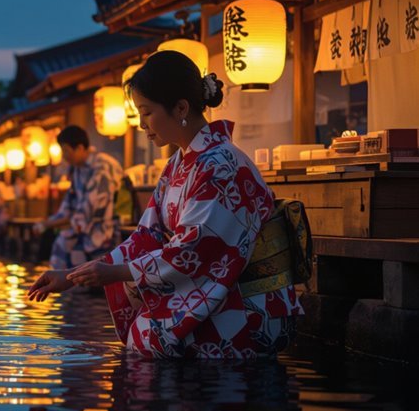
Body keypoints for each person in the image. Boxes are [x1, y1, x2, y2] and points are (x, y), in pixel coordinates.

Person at [28, 50, 303, 359]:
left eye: (146, 112)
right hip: (218, 291)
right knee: (145, 340)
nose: (142, 124)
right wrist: (73, 274)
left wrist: (118, 273)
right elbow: (148, 235)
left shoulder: (221, 164)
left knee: (152, 341)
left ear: (181, 107)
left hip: (249, 306)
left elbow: (195, 249)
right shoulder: (180, 163)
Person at [33, 125, 123, 269]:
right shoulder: (77, 170)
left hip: (104, 230)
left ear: (80, 148)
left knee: (67, 249)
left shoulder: (102, 165)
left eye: (66, 151)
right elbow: (68, 205)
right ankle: (60, 288)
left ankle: (72, 289)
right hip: (83, 227)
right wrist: (46, 223)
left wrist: (50, 225)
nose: (64, 157)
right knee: (60, 244)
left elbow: (90, 207)